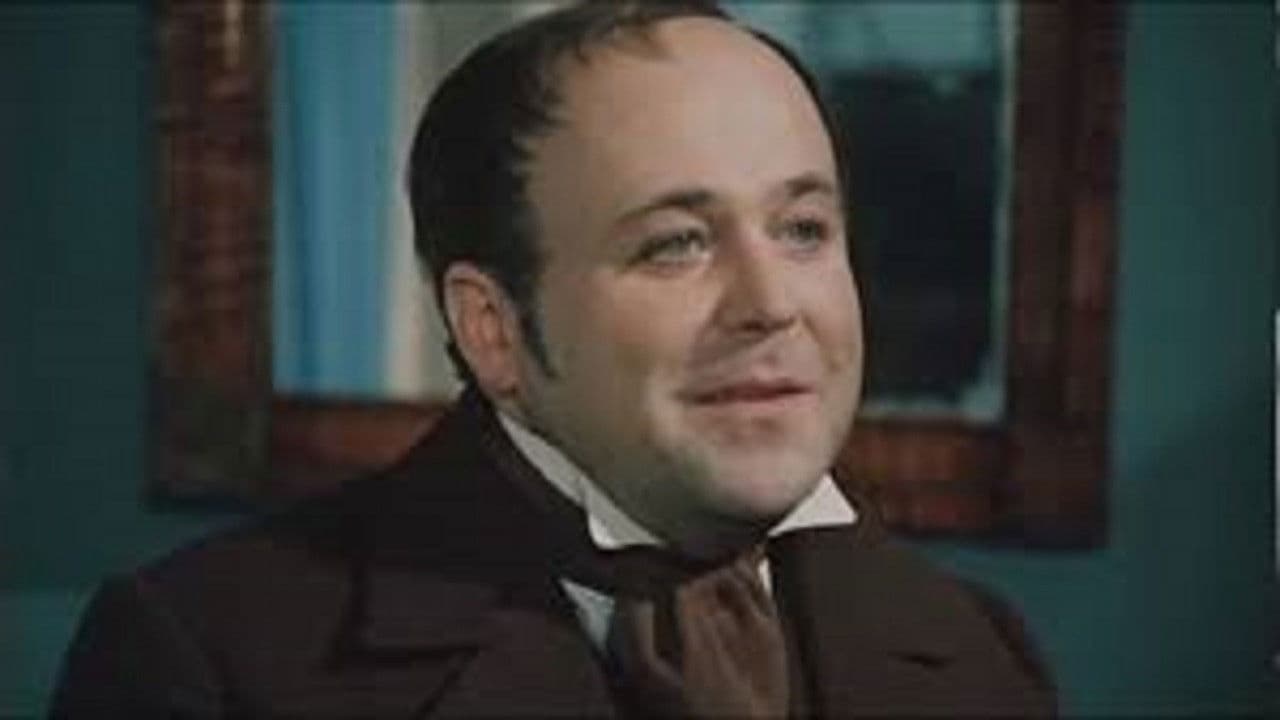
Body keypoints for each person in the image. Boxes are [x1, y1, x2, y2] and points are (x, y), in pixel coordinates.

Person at [51, 2, 1055, 717]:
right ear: (493, 328)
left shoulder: (980, 648)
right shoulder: (207, 661)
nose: (771, 304)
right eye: (675, 243)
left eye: (802, 229)